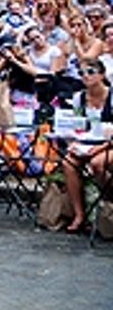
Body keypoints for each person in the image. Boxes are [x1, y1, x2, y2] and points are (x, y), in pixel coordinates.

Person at [60, 58, 112, 233]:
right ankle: (79, 214)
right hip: (87, 142)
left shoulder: (111, 96)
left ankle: (108, 199)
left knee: (98, 163)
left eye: (90, 72)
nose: (86, 76)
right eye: (82, 73)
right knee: (68, 163)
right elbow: (77, 127)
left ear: (102, 75)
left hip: (108, 144)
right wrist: (73, 144)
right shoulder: (79, 98)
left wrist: (99, 148)